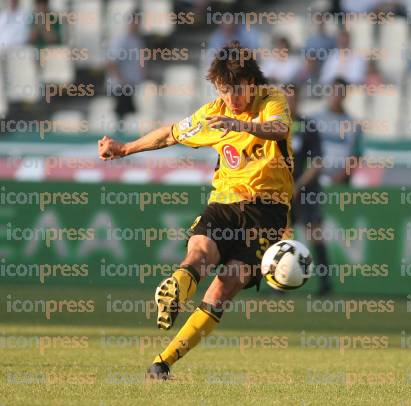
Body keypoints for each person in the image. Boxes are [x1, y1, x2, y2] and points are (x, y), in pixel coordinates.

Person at [97, 41, 293, 380]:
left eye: (236, 90)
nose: (230, 99)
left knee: (223, 287)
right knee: (198, 255)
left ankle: (163, 362)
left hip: (267, 211)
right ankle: (173, 289)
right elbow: (170, 135)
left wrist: (241, 126)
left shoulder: (271, 100)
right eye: (223, 91)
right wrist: (125, 148)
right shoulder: (213, 113)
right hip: (224, 202)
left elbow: (281, 129)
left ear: (252, 81)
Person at [285, 84, 331, 296]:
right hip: (282, 192)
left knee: (314, 234)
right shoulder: (273, 127)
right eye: (285, 98)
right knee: (284, 236)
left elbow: (317, 162)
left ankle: (325, 285)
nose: (288, 102)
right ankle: (280, 284)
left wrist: (298, 185)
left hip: (306, 190)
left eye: (292, 98)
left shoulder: (307, 127)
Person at [313, 78, 363, 186]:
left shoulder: (353, 124)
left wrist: (341, 176)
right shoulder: (314, 120)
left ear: (345, 95)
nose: (336, 96)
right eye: (333, 91)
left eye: (340, 92)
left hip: (341, 181)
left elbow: (356, 155)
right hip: (315, 179)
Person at [106, 13, 145, 120]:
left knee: (131, 116)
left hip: (132, 86)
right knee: (121, 116)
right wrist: (121, 80)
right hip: (121, 87)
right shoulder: (120, 40)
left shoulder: (137, 41)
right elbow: (111, 62)